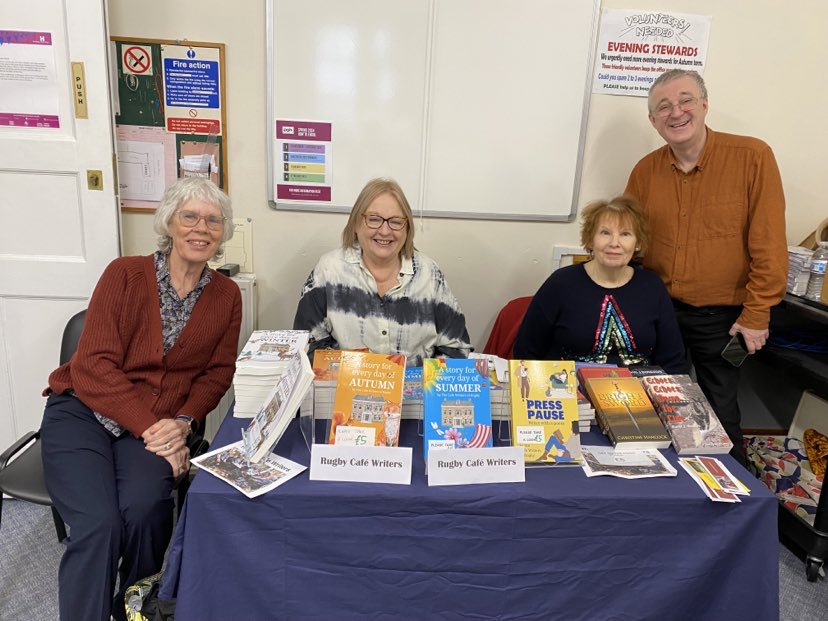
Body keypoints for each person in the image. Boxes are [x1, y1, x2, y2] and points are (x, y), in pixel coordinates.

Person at [40, 177, 242, 621]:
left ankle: (134, 608)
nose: (201, 228)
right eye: (189, 216)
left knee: (147, 508)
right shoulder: (125, 274)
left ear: (223, 233)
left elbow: (218, 373)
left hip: (156, 425)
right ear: (169, 222)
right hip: (84, 411)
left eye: (213, 220)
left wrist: (185, 421)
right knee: (99, 525)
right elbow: (92, 366)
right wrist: (159, 432)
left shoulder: (227, 295)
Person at [625, 69, 787, 464]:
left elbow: (768, 243)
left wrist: (757, 313)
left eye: (685, 101)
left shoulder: (753, 157)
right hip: (661, 313)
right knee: (655, 408)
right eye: (663, 107)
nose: (675, 112)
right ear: (653, 121)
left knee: (719, 413)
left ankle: (735, 498)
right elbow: (631, 242)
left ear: (704, 105)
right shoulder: (644, 171)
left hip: (726, 318)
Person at [293, 177, 471, 366]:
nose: (385, 231)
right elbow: (308, 346)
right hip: (346, 391)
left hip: (415, 392)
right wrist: (360, 378)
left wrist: (419, 386)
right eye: (374, 219)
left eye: (395, 221)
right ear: (355, 224)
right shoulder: (328, 271)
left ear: (407, 228)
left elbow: (456, 349)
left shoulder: (430, 275)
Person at [514, 196, 686, 374]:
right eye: (605, 233)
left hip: (639, 396)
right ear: (590, 239)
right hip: (569, 393)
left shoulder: (652, 287)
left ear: (638, 243)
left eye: (625, 234)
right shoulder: (561, 284)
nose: (614, 243)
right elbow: (526, 353)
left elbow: (673, 361)